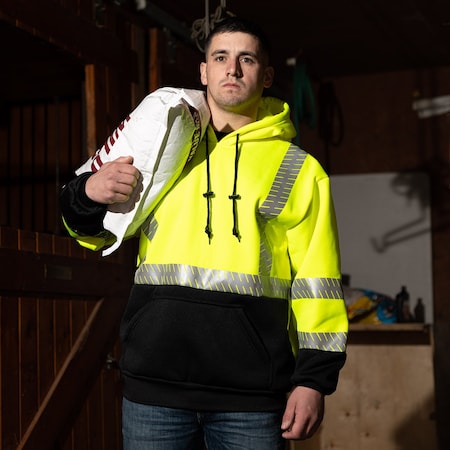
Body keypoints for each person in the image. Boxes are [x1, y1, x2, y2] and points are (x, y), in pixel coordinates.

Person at [60, 16, 348, 450]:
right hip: (154, 390)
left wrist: (313, 381)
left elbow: (318, 281)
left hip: (251, 397)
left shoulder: (300, 170)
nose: (232, 69)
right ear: (203, 71)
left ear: (267, 75)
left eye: (246, 59)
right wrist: (88, 193)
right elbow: (93, 235)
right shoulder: (163, 142)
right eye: (220, 57)